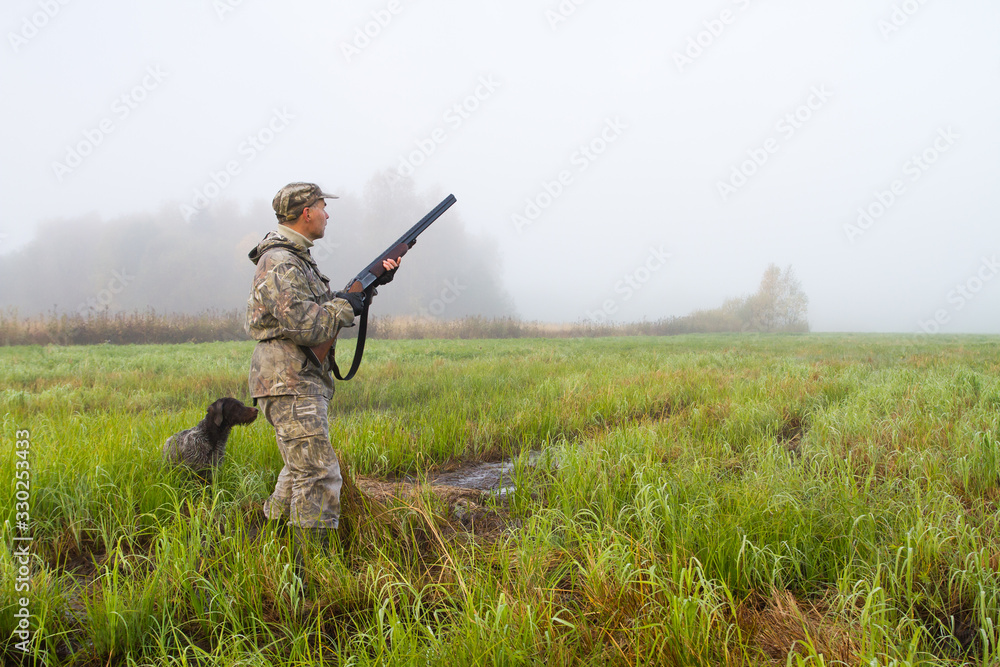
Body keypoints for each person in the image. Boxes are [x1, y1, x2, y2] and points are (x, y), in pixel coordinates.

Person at [245, 182, 398, 551]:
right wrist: (346, 306)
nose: (327, 214)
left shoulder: (296, 259)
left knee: (299, 470)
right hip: (290, 380)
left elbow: (323, 306)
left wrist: (368, 288)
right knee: (318, 474)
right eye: (322, 206)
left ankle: (267, 545)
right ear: (305, 212)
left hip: (296, 377)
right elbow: (307, 324)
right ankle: (312, 571)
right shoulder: (281, 262)